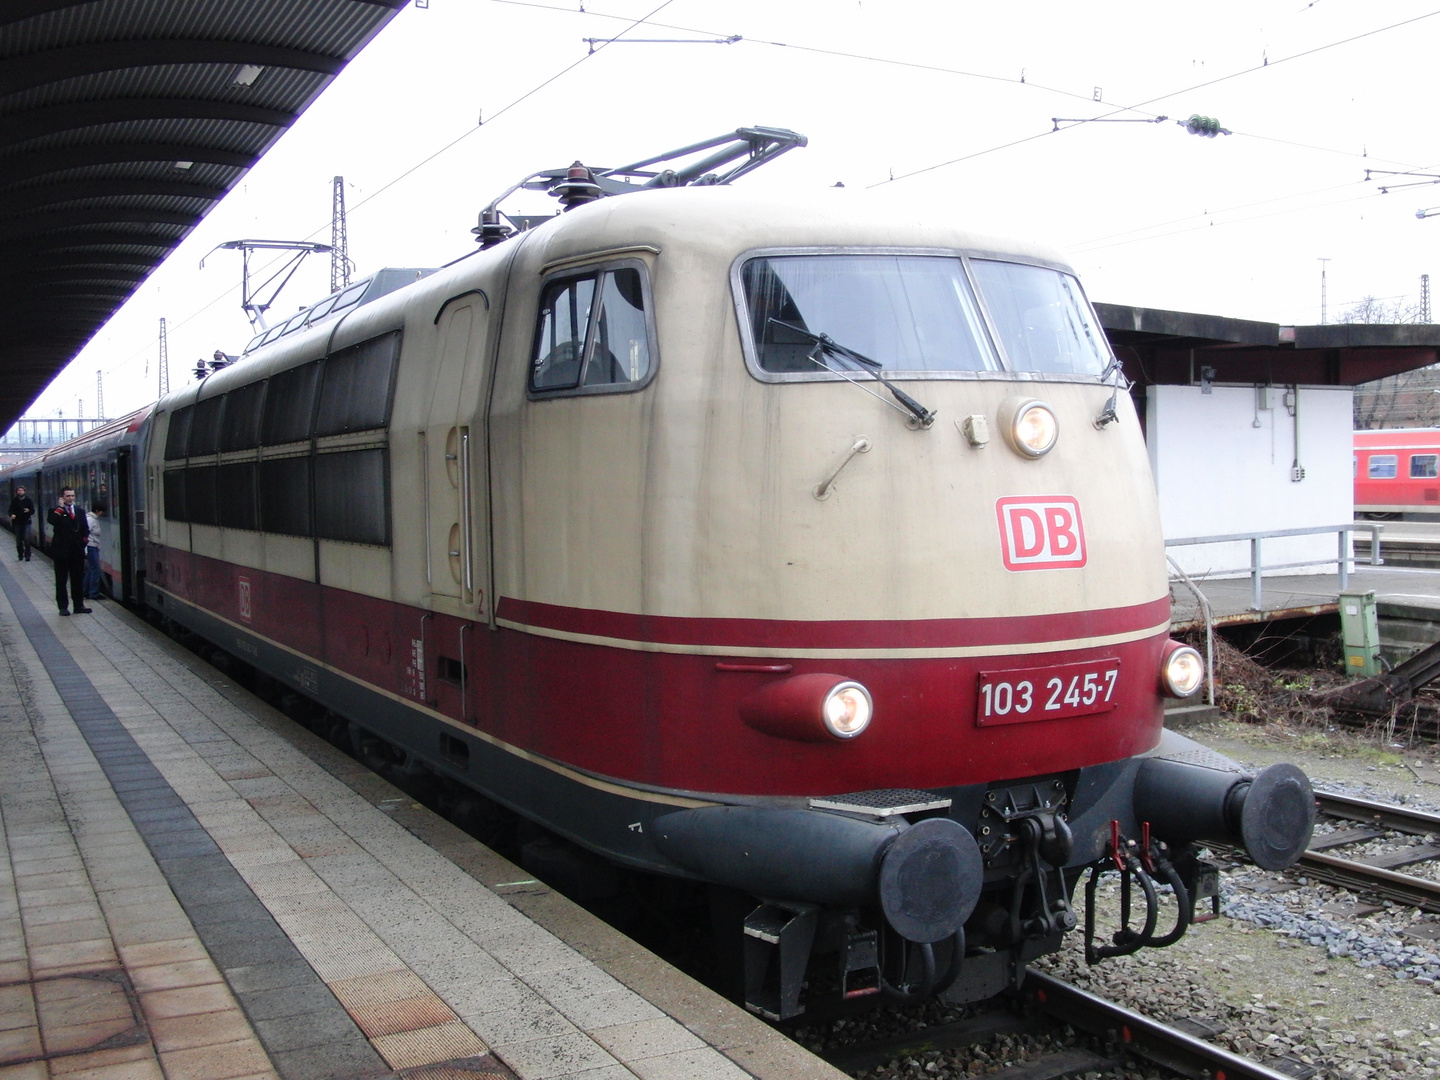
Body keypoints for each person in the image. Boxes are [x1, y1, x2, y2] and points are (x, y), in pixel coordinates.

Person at [48, 488, 90, 616]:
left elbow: (85, 528)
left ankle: (78, 605)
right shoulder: (55, 511)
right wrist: (60, 509)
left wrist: (83, 542)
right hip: (61, 551)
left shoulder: (80, 511)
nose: (70, 498)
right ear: (62, 497)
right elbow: (52, 521)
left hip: (77, 551)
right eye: (68, 496)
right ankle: (63, 607)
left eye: (72, 495)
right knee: (61, 580)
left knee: (77, 578)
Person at [84, 501, 105, 600]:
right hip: (90, 547)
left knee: (91, 570)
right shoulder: (90, 520)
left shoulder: (93, 519)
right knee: (96, 570)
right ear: (97, 510)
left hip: (93, 547)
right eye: (101, 511)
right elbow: (85, 535)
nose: (102, 514)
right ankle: (94, 593)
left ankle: (85, 591)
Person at [8, 485, 34, 561]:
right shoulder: (14, 501)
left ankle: (27, 555)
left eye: (22, 490)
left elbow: (32, 510)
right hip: (17, 522)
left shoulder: (28, 500)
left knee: (27, 538)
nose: (20, 492)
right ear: (17, 492)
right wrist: (11, 515)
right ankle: (20, 554)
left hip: (26, 522)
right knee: (18, 540)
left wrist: (28, 511)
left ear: (24, 491)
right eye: (19, 490)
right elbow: (10, 510)